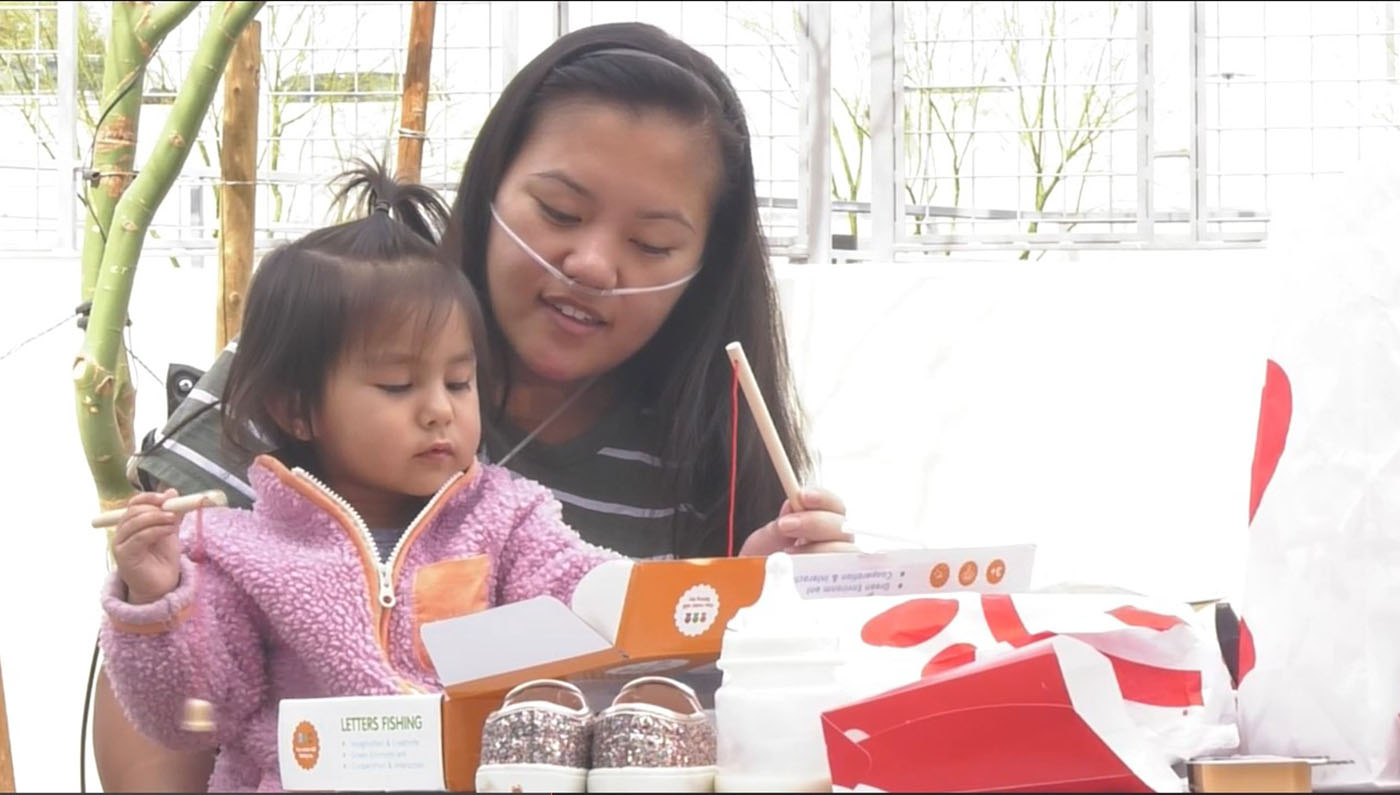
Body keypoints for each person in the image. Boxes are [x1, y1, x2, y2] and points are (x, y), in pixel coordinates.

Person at [94, 21, 853, 791]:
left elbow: (631, 613)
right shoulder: (303, 367)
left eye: (653, 244)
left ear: (705, 267)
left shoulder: (677, 462)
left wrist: (761, 594)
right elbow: (170, 718)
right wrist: (155, 593)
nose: (591, 263)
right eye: (559, 211)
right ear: (490, 186)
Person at [100, 161, 625, 792]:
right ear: (297, 408)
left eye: (459, 382)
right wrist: (156, 600)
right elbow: (191, 715)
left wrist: (748, 589)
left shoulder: (510, 521)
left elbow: (598, 598)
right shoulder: (236, 551)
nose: (440, 409)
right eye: (398, 385)